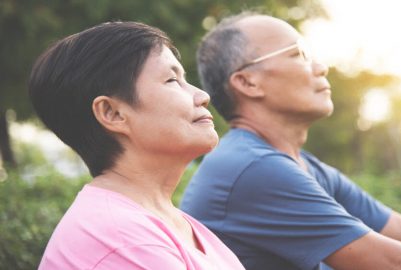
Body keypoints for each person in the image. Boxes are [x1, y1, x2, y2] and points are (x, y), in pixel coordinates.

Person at [180, 13, 401, 270]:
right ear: (247, 82)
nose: (320, 67)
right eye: (297, 54)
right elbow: (396, 262)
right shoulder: (253, 168)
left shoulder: (301, 164)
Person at [29, 21, 245, 270]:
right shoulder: (117, 236)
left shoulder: (172, 224)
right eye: (172, 80)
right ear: (112, 113)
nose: (202, 96)